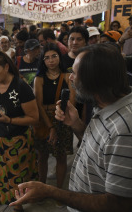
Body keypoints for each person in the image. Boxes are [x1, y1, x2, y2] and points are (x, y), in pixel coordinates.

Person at [10, 44, 132, 212]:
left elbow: (117, 205)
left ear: (94, 79)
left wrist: (51, 191)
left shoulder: (124, 131)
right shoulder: (104, 105)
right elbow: (98, 151)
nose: (71, 78)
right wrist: (76, 125)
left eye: (75, 73)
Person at [0, 51, 39, 211]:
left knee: (16, 174)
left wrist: (10, 120)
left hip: (16, 140)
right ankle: (1, 195)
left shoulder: (20, 86)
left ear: (6, 67)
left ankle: (17, 203)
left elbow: (33, 118)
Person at [33, 43, 75, 206]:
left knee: (61, 157)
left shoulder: (67, 75)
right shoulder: (39, 78)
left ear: (60, 57)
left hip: (63, 120)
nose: (51, 61)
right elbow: (38, 104)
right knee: (42, 157)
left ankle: (58, 192)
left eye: (54, 56)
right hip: (44, 123)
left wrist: (57, 123)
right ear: (43, 61)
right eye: (47, 57)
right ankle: (42, 189)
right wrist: (51, 127)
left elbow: (70, 102)